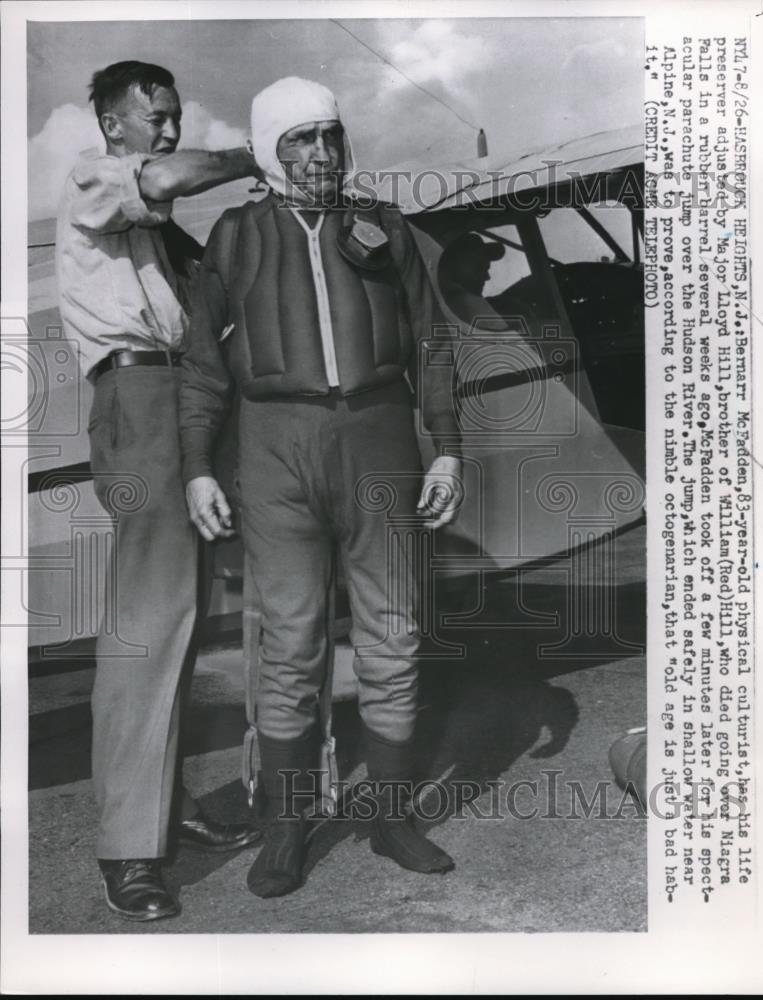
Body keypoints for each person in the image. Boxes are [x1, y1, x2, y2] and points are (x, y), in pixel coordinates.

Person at [179, 76, 463, 898]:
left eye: (329, 136)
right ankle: (287, 827)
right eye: (299, 138)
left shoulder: (383, 226)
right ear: (269, 147)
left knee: (393, 634)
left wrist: (446, 449)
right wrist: (199, 465)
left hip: (378, 441)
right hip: (274, 451)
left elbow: (432, 342)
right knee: (289, 648)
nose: (318, 154)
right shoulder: (232, 238)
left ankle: (390, 815)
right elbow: (202, 366)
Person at [56, 60, 263, 922]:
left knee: (180, 622)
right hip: (139, 398)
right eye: (155, 117)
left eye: (175, 116)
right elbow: (170, 176)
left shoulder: (154, 229)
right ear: (114, 125)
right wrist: (260, 156)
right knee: (147, 624)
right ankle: (129, 852)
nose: (170, 130)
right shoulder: (94, 178)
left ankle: (163, 814)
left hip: (184, 396)